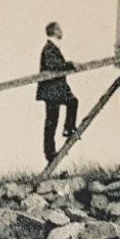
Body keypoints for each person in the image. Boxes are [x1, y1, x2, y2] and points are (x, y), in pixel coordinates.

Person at [37, 22, 79, 163]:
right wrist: (70, 64)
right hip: (52, 89)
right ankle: (50, 151)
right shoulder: (49, 48)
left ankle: (67, 129)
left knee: (54, 118)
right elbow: (54, 65)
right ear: (54, 31)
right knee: (52, 120)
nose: (62, 31)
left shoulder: (53, 47)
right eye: (59, 29)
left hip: (56, 88)